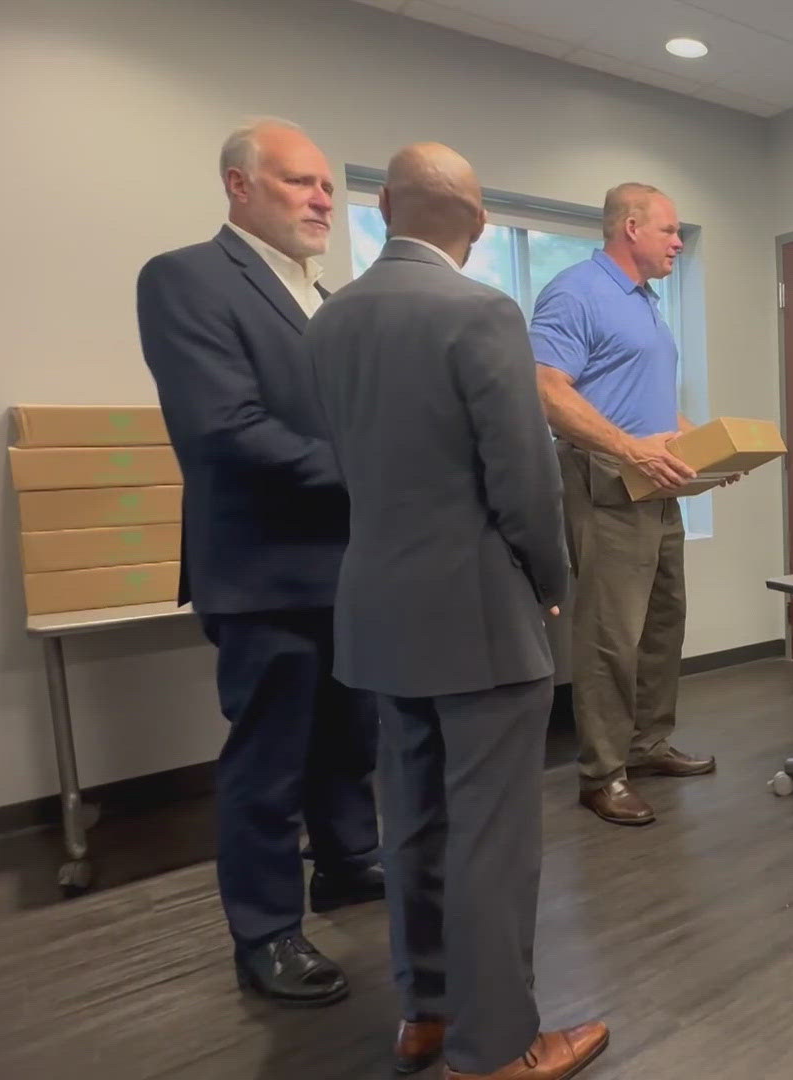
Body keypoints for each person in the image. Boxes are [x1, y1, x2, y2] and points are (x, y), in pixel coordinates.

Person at [306, 143, 608, 1080]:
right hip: (479, 614)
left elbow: (340, 463)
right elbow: (525, 482)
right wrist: (550, 577)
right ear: (478, 228)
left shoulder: (329, 318)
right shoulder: (481, 311)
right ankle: (497, 1047)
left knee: (414, 823)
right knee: (493, 839)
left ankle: (427, 1012)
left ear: (385, 205)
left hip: (376, 613)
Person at [136, 118, 381, 1007]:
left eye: (327, 185)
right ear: (239, 186)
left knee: (351, 737)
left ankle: (350, 864)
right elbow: (223, 431)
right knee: (268, 762)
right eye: (299, 183)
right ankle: (267, 932)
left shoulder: (328, 296)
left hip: (348, 563)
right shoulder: (187, 278)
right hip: (265, 568)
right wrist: (375, 475)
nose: (322, 199)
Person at [531, 182, 718, 827]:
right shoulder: (576, 291)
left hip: (658, 486)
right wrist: (628, 449)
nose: (677, 242)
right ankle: (601, 773)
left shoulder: (647, 303)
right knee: (610, 636)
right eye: (669, 231)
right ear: (630, 227)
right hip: (605, 482)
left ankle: (645, 745)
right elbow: (546, 390)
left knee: (664, 623)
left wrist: (711, 451)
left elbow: (648, 402)